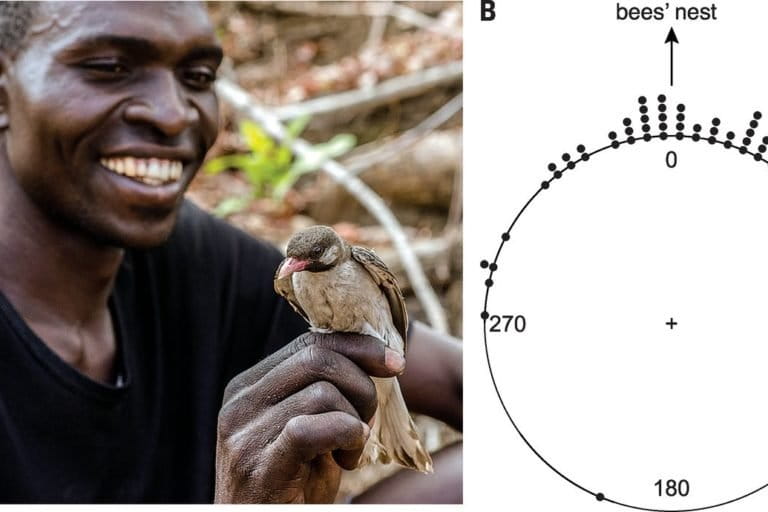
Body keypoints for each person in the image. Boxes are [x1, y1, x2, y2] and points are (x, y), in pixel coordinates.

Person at [0, 1, 462, 504]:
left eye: (197, 76)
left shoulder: (196, 257)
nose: (174, 112)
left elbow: (469, 385)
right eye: (109, 68)